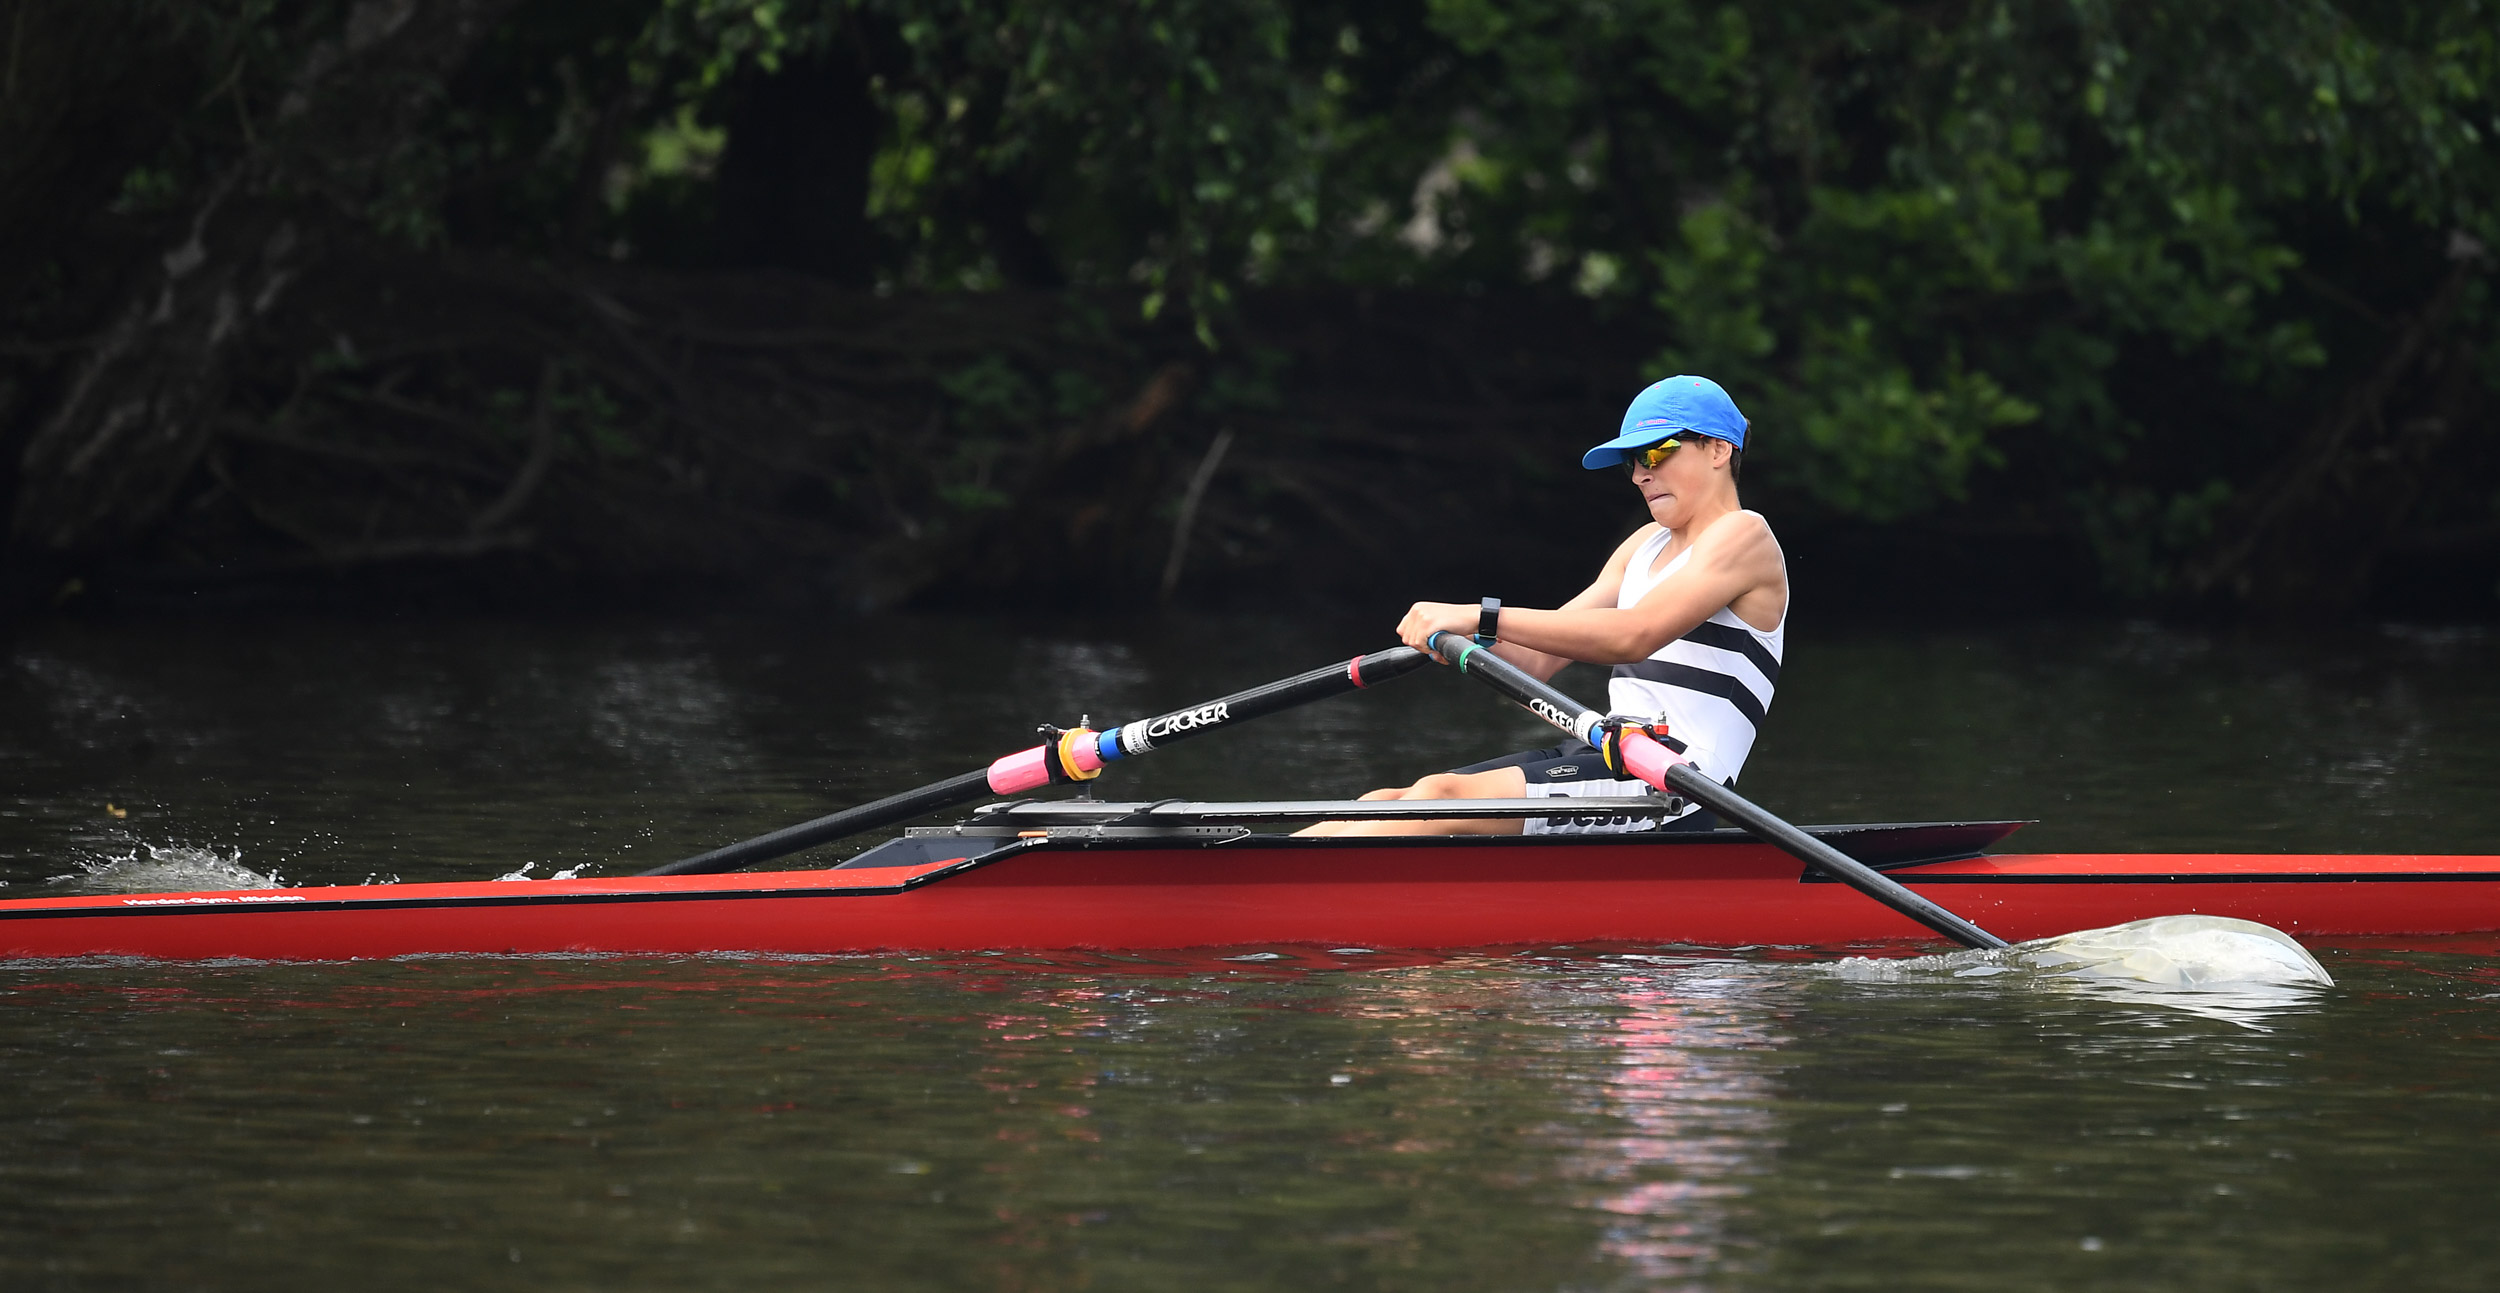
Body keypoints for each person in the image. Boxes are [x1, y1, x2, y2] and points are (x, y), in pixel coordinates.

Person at [1300, 375, 1787, 837]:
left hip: (1680, 783)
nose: (1641, 474)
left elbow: (1634, 634)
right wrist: (1467, 642)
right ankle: (1241, 872)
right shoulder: (1645, 545)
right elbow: (1535, 662)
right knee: (1384, 801)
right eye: (1631, 462)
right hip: (1611, 752)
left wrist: (1480, 614)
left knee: (1440, 796)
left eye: (1656, 453)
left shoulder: (1745, 535)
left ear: (1719, 449)